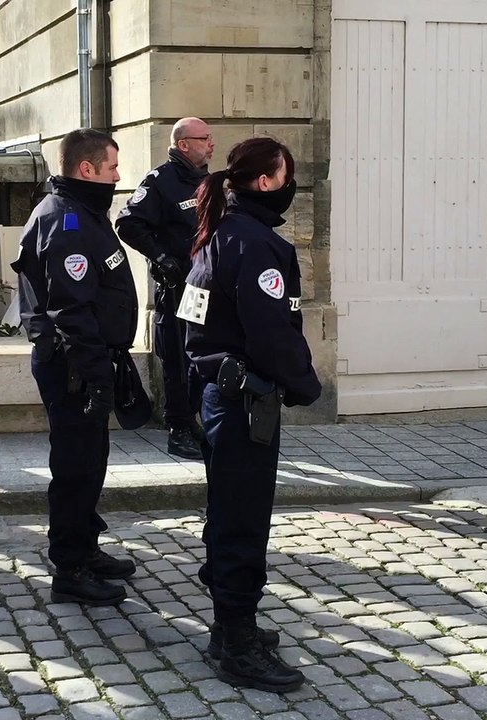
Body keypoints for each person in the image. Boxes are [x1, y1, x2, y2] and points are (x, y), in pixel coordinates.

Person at [182, 137, 321, 692]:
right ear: (266, 182)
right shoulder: (254, 244)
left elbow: (191, 326)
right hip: (244, 402)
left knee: (228, 509)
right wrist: (306, 385)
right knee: (242, 516)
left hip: (222, 397)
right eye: (287, 174)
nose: (291, 184)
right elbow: (270, 333)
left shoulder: (219, 234)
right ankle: (235, 641)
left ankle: (228, 627)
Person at [12, 129, 139, 607]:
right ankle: (70, 568)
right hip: (73, 365)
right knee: (75, 466)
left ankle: (86, 545)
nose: (117, 175)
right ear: (86, 170)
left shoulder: (83, 213)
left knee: (91, 460)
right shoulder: (67, 221)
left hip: (84, 361)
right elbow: (70, 310)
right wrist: (94, 375)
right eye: (111, 167)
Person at [116, 117, 215, 460]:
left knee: (202, 355)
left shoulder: (209, 181)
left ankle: (195, 420)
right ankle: (179, 428)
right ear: (183, 144)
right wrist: (160, 257)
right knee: (178, 356)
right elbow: (128, 224)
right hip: (178, 288)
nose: (211, 144)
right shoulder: (161, 181)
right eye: (204, 139)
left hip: (205, 288)